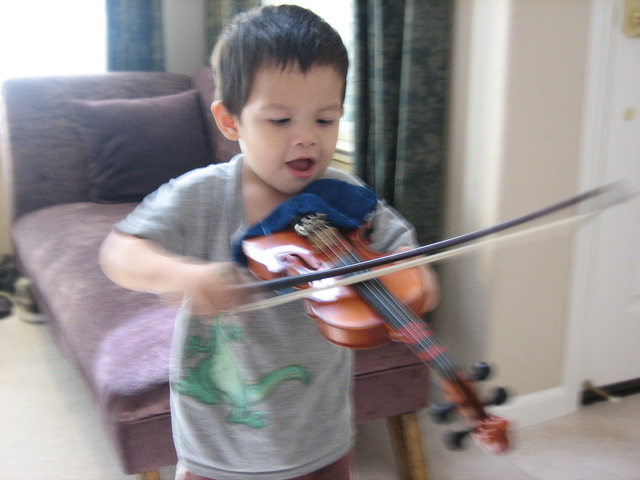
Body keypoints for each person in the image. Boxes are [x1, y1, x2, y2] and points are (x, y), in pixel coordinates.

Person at [99, 5, 439, 480]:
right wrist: (184, 275)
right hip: (217, 448)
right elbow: (119, 253)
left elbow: (411, 263)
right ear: (230, 120)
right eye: (280, 120)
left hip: (321, 439)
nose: (305, 139)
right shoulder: (200, 196)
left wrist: (408, 280)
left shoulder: (350, 198)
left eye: (325, 120)